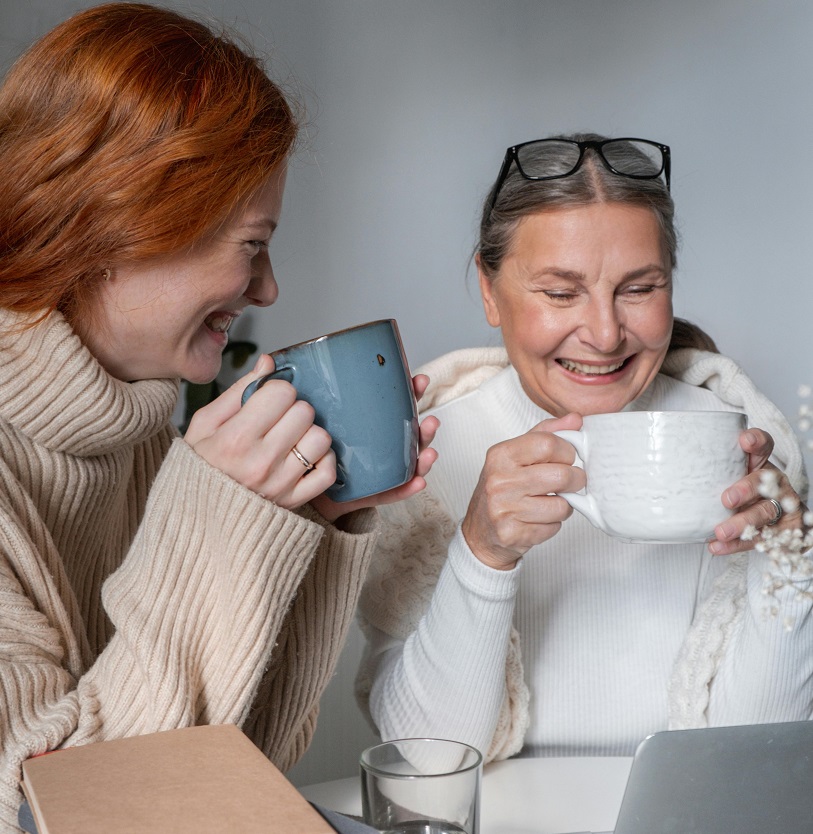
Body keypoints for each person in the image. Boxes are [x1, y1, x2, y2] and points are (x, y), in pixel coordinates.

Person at [0, 4, 438, 832]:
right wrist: (214, 512)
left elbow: (236, 775)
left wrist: (301, 523)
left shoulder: (127, 433)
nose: (267, 290)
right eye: (251, 244)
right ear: (123, 225)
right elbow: (49, 814)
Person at [356, 134, 811, 763]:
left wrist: (786, 562)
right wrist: (482, 552)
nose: (603, 334)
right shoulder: (430, 460)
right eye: (562, 293)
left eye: (638, 288)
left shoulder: (737, 444)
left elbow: (758, 754)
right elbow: (427, 759)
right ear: (490, 291)